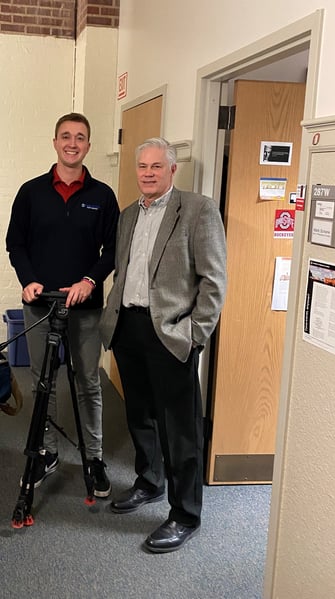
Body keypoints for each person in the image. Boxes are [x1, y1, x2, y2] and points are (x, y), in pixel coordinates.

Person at [100, 137, 226, 552]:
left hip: (171, 334)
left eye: (157, 166)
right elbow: (123, 271)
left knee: (180, 428)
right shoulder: (127, 215)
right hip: (129, 329)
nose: (148, 173)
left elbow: (214, 281)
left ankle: (185, 514)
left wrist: (195, 333)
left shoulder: (197, 210)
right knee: (140, 416)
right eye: (142, 166)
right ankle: (149, 482)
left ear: (173, 169)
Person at [6, 112, 119, 498]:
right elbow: (15, 244)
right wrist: (29, 280)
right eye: (66, 136)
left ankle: (95, 457)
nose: (73, 143)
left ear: (89, 146)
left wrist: (90, 281)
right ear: (55, 142)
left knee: (88, 382)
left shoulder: (102, 196)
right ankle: (47, 452)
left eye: (80, 137)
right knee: (44, 383)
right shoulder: (31, 192)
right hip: (41, 306)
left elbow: (113, 250)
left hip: (85, 310)